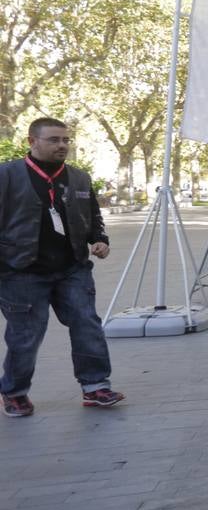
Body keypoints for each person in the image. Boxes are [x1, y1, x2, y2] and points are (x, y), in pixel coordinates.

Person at [0, 117, 123, 417]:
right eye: (54, 140)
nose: (62, 145)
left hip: (72, 268)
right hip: (21, 271)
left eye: (66, 140)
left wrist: (100, 239)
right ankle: (15, 393)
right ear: (32, 141)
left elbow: (93, 215)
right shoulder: (7, 175)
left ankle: (95, 386)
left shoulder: (79, 178)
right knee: (26, 335)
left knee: (87, 324)